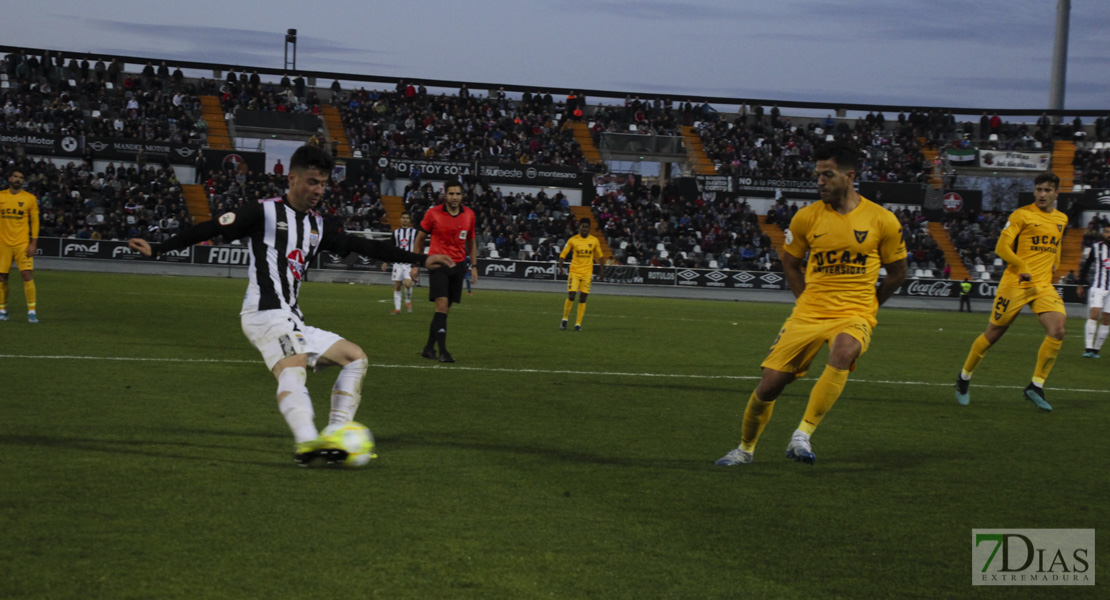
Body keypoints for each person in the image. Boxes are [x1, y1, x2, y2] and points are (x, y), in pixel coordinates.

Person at [127, 145, 454, 466]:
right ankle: (306, 442)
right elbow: (210, 228)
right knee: (293, 365)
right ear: (292, 179)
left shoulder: (318, 225)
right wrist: (159, 249)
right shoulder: (261, 211)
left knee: (355, 358)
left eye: (324, 183)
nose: (318, 189)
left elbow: (365, 246)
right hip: (264, 312)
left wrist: (421, 259)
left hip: (291, 317)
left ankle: (335, 435)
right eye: (312, 181)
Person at [716, 142, 907, 467]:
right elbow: (790, 263)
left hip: (854, 311)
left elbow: (898, 273)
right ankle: (745, 449)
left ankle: (802, 435)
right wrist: (805, 300)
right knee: (769, 386)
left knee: (844, 352)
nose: (820, 181)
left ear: (849, 176)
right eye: (818, 175)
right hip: (809, 312)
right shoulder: (805, 218)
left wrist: (871, 305)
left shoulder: (882, 220)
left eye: (827, 175)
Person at [954, 172, 1068, 411]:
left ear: (1057, 193)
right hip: (1015, 283)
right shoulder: (1022, 215)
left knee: (1057, 329)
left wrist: (1055, 262)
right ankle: (964, 378)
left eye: (1047, 190)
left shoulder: (1061, 219)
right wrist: (1023, 265)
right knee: (992, 336)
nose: (1042, 194)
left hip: (1042, 286)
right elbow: (1002, 247)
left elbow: (1056, 243)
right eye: (1039, 189)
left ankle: (1035, 386)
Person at [414, 180, 478, 363]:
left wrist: (474, 266)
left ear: (462, 195)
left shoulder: (469, 215)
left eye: (458, 194)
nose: (455, 197)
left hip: (457, 267)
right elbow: (419, 239)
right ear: (445, 195)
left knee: (443, 312)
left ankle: (428, 348)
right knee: (441, 307)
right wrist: (414, 264)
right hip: (438, 265)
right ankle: (443, 351)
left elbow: (471, 242)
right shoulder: (433, 213)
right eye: (451, 194)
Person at [0, 170, 40, 322]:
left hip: (22, 243)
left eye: (21, 178)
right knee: (2, 276)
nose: (18, 180)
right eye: (15, 177)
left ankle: (31, 311)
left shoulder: (29, 198)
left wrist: (33, 242)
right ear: (10, 178)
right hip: (3, 244)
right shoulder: (1, 196)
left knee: (27, 275)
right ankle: (2, 309)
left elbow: (35, 221)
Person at [557, 218, 605, 331]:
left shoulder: (594, 240)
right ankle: (565, 319)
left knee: (583, 298)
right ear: (579, 228)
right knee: (572, 295)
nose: (584, 229)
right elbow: (564, 254)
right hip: (574, 271)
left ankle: (578, 324)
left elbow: (601, 256)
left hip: (587, 273)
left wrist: (602, 270)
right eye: (582, 226)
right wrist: (560, 266)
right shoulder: (573, 240)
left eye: (586, 227)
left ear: (589, 228)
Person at [1076, 223, 1110, 357]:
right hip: (1098, 287)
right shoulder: (1097, 247)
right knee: (1094, 315)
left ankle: (1096, 350)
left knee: (1106, 320)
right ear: (1103, 233)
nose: (1109, 234)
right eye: (1106, 232)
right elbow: (1085, 266)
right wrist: (1080, 284)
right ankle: (1088, 348)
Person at [382, 211, 418, 314]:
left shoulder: (414, 232)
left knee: (407, 284)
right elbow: (391, 249)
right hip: (398, 264)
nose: (405, 219)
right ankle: (397, 309)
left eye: (407, 218)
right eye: (403, 217)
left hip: (409, 263)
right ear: (400, 219)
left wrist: (417, 263)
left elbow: (418, 247)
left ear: (409, 220)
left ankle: (408, 301)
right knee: (397, 285)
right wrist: (386, 261)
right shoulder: (396, 233)